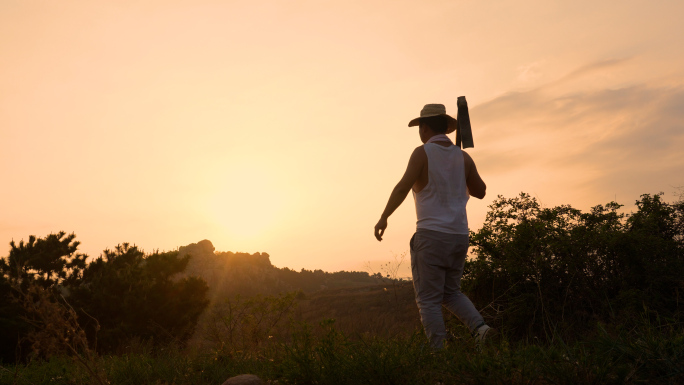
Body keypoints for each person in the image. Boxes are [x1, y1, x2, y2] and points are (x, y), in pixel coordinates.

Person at [374, 103, 493, 349]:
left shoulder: (422, 152)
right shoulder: (463, 157)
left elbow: (402, 187)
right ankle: (481, 330)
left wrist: (384, 216)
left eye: (420, 127)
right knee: (451, 293)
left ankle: (439, 354)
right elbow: (480, 191)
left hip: (431, 236)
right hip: (459, 236)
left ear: (425, 128)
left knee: (428, 300)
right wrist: (459, 174)